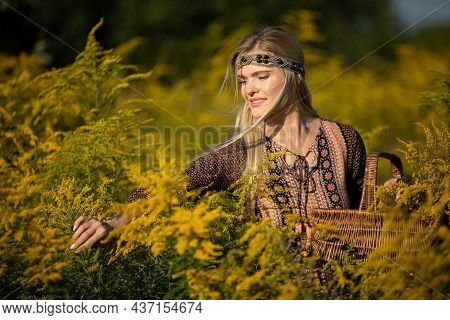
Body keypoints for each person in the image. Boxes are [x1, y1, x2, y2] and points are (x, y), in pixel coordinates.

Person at [72, 26, 391, 253]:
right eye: (243, 80)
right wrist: (112, 224)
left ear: (294, 76)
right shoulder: (242, 154)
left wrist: (399, 202)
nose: (248, 90)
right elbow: (169, 189)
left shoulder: (344, 139)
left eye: (261, 77)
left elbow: (369, 217)